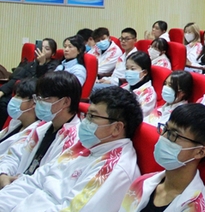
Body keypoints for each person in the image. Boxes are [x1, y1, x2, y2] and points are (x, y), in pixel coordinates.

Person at [0, 86, 142, 212]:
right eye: (86, 115)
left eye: (92, 116)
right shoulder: (86, 146)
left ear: (116, 128)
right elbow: (35, 180)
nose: (85, 121)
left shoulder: (113, 168)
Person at [120, 103, 205, 212]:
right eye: (165, 129)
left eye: (174, 135)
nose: (163, 137)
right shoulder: (143, 182)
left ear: (200, 152)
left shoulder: (198, 208)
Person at [0, 71, 81, 187]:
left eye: (44, 98)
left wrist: (17, 184)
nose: (38, 102)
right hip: (13, 187)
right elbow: (15, 154)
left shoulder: (75, 139)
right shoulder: (40, 127)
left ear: (65, 102)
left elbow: (50, 179)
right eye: (37, 97)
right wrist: (3, 174)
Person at [0, 38, 58, 127]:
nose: (42, 51)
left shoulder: (54, 66)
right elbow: (15, 79)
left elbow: (42, 83)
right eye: (41, 47)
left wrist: (42, 64)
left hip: (33, 96)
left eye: (47, 49)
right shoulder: (32, 64)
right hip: (22, 91)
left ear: (53, 53)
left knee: (4, 104)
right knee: (2, 99)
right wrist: (2, 91)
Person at [0, 79, 39, 155]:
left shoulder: (34, 135)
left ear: (34, 103)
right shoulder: (16, 123)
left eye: (19, 96)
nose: (13, 99)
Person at [125, 51, 157, 118]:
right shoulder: (126, 86)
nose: (128, 71)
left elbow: (138, 116)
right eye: (127, 68)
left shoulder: (149, 94)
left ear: (144, 72)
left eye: (132, 69)